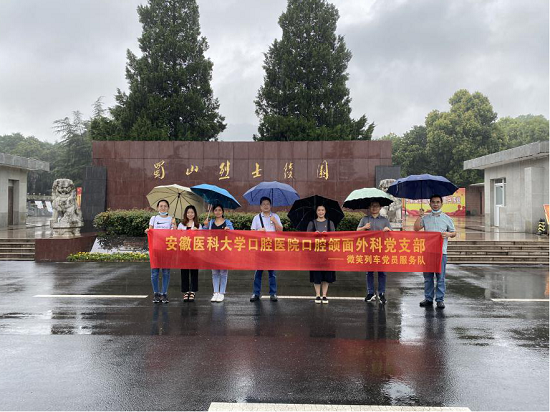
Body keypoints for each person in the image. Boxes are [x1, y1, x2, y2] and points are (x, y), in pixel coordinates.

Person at [414, 195, 456, 309]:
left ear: (441, 203)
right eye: (433, 202)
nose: (435, 204)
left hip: (441, 253)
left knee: (440, 277)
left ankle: (440, 300)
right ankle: (428, 298)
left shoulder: (447, 218)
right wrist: (420, 216)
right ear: (430, 204)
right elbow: (416, 228)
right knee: (428, 277)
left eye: (438, 202)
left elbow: (454, 233)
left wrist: (448, 234)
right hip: (428, 252)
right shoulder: (426, 218)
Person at [249, 196, 283, 302]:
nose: (266, 206)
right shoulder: (256, 218)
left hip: (272, 247)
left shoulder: (275, 216)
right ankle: (256, 293)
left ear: (270, 205)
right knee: (258, 272)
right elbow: (252, 233)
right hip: (260, 247)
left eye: (268, 204)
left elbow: (281, 231)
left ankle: (273, 293)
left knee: (272, 272)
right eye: (263, 204)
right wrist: (259, 231)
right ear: (260, 206)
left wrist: (275, 222)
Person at [357, 201, 391, 304]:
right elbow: (357, 231)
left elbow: (391, 234)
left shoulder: (385, 220)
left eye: (376, 206)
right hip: (369, 249)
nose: (374, 208)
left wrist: (387, 230)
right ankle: (370, 292)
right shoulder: (365, 219)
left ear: (380, 207)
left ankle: (381, 293)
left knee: (382, 272)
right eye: (372, 206)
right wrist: (364, 228)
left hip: (381, 250)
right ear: (369, 207)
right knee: (369, 272)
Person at [145, 199, 175, 304]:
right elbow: (150, 230)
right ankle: (156, 294)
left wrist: (174, 225)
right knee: (155, 272)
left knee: (166, 272)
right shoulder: (154, 218)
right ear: (157, 207)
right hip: (155, 248)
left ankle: (164, 294)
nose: (163, 208)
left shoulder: (171, 219)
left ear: (168, 208)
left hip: (167, 249)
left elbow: (175, 234)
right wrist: (147, 231)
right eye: (161, 206)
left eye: (165, 206)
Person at [203, 204, 234, 303]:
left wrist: (228, 230)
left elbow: (233, 233)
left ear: (222, 211)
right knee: (215, 272)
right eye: (216, 210)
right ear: (213, 212)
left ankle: (222, 293)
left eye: (219, 210)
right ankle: (215, 292)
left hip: (224, 249)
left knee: (223, 272)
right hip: (213, 249)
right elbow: (203, 234)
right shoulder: (211, 222)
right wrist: (205, 226)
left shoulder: (227, 222)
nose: (218, 212)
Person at [307, 205, 336, 304]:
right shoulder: (312, 223)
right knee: (316, 274)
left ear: (325, 211)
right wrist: (313, 235)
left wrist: (327, 235)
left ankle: (324, 295)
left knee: (326, 274)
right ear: (316, 212)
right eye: (319, 210)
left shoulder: (330, 223)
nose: (321, 212)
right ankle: (317, 295)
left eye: (322, 210)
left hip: (327, 253)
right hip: (315, 253)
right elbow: (306, 237)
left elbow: (334, 237)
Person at [177, 205, 200, 302]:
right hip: (184, 251)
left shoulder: (198, 225)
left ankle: (193, 291)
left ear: (195, 214)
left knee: (194, 272)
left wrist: (198, 231)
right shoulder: (181, 225)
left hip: (195, 251)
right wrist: (175, 227)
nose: (190, 214)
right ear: (185, 214)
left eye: (192, 212)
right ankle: (186, 291)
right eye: (188, 212)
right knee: (184, 271)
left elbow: (202, 238)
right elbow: (176, 236)